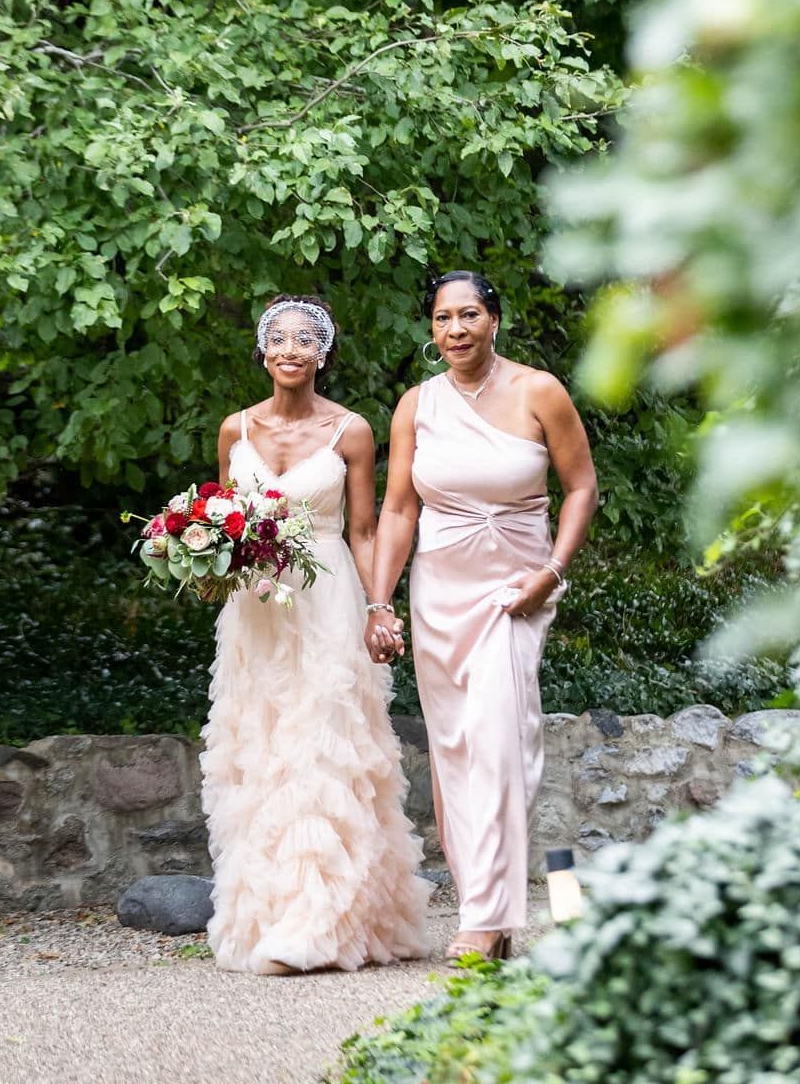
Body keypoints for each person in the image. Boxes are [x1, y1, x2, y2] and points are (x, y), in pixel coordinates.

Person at [367, 271, 598, 960]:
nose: (457, 329)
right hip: (439, 591)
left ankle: (486, 918)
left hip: (516, 588)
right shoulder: (416, 405)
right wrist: (379, 602)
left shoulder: (539, 391)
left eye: (469, 314)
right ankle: (484, 909)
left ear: (494, 319)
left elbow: (581, 486)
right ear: (432, 329)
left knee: (501, 739)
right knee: (457, 752)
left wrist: (552, 571)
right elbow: (399, 509)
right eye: (443, 318)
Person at [201, 294, 431, 975]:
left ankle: (320, 921)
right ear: (263, 351)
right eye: (280, 338)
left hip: (326, 596)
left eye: (307, 339)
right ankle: (263, 916)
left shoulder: (351, 431)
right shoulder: (233, 431)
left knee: (321, 751)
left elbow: (364, 530)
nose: (292, 348)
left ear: (324, 354)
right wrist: (205, 565)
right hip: (256, 611)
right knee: (261, 749)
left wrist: (380, 606)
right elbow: (223, 523)